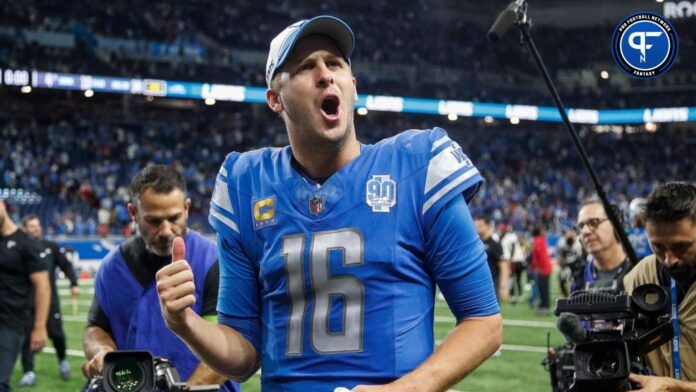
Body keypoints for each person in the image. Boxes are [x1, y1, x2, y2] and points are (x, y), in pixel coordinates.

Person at [156, 15, 502, 391]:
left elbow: (484, 322)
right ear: (275, 99)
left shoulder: (417, 165)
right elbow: (243, 358)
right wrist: (186, 324)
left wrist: (408, 388)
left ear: (352, 86)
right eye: (306, 66)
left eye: (335, 63)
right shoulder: (246, 182)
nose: (325, 74)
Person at [82, 165, 238, 391]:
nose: (166, 230)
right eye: (154, 221)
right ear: (133, 213)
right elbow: (95, 327)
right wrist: (102, 352)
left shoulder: (213, 262)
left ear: (186, 209)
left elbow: (227, 343)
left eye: (174, 218)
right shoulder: (112, 267)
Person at [624, 182, 696, 389]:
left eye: (681, 246)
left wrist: (675, 387)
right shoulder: (639, 277)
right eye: (658, 246)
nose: (669, 259)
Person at [17, 214, 79, 386]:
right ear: (25, 229)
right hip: (26, 303)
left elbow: (66, 265)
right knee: (27, 338)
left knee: (57, 334)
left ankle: (62, 361)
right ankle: (28, 372)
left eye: (37, 225)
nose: (36, 228)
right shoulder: (20, 249)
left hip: (50, 301)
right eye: (32, 226)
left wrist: (74, 283)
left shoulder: (50, 247)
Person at [0, 200, 50, 392]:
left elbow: (43, 286)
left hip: (11, 323)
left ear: (2, 206)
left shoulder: (26, 243)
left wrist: (39, 327)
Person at [572, 197, 632, 292]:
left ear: (616, 225)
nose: (585, 231)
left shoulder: (641, 272)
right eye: (581, 226)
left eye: (594, 222)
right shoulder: (580, 278)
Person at [475, 217, 506, 301]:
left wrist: (503, 286)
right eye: (476, 225)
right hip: (479, 282)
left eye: (480, 225)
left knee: (491, 313)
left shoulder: (494, 243)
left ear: (488, 226)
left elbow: (503, 265)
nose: (477, 227)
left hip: (492, 283)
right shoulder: (477, 243)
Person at [500, 224, 527, 303]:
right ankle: (518, 295)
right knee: (517, 279)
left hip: (513, 261)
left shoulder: (508, 237)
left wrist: (510, 259)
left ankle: (512, 295)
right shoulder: (513, 236)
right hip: (518, 260)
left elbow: (513, 247)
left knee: (512, 279)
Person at [555, 228, 584, 297]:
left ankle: (574, 295)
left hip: (576, 265)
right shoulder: (561, 242)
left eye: (571, 233)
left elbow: (580, 256)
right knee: (562, 281)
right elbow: (560, 256)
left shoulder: (578, 243)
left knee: (577, 281)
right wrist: (562, 265)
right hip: (566, 265)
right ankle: (567, 296)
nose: (570, 234)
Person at [530, 227, 552, 315]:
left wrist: (537, 267)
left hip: (543, 269)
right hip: (544, 267)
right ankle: (543, 305)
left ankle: (545, 307)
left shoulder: (538, 241)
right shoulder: (541, 240)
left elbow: (539, 256)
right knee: (543, 288)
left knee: (543, 288)